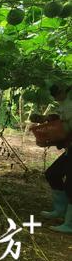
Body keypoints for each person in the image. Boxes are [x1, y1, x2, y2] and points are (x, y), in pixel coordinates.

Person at [30, 85, 72, 233]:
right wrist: (46, 119)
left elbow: (66, 129)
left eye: (56, 93)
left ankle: (69, 223)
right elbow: (61, 122)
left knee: (71, 185)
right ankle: (60, 210)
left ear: (63, 91)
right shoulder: (65, 105)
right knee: (53, 174)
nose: (54, 97)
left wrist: (54, 140)